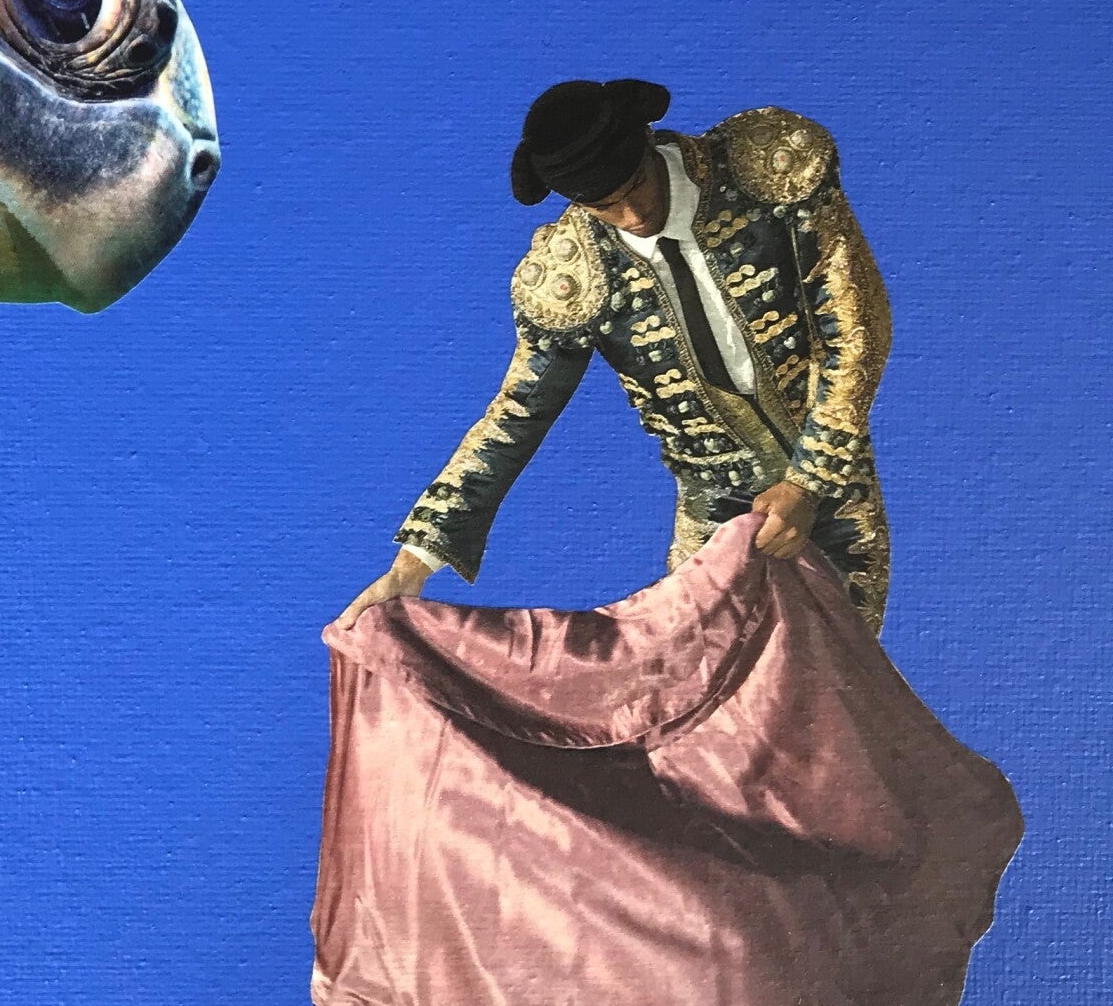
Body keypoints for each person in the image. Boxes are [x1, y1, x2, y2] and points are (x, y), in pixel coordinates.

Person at [340, 80, 892, 633]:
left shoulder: (765, 174)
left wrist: (808, 481)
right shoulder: (571, 271)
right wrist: (412, 566)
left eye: (636, 186)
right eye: (604, 206)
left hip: (833, 476)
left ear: (649, 141)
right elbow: (518, 414)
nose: (631, 215)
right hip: (714, 502)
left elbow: (854, 329)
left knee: (841, 669)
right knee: (703, 673)